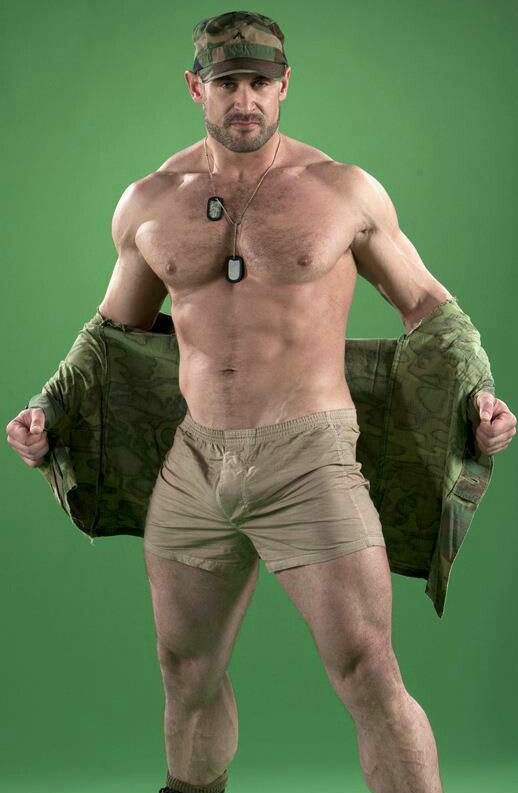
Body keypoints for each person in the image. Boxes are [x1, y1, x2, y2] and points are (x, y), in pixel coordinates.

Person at [6, 10, 516, 793]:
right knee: (186, 670)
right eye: (226, 83)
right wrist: (47, 408)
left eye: (259, 82)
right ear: (196, 88)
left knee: (366, 666)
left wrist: (479, 390)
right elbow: (110, 335)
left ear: (284, 86)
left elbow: (429, 307)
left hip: (310, 456)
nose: (244, 99)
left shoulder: (342, 191)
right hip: (196, 463)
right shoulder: (149, 202)